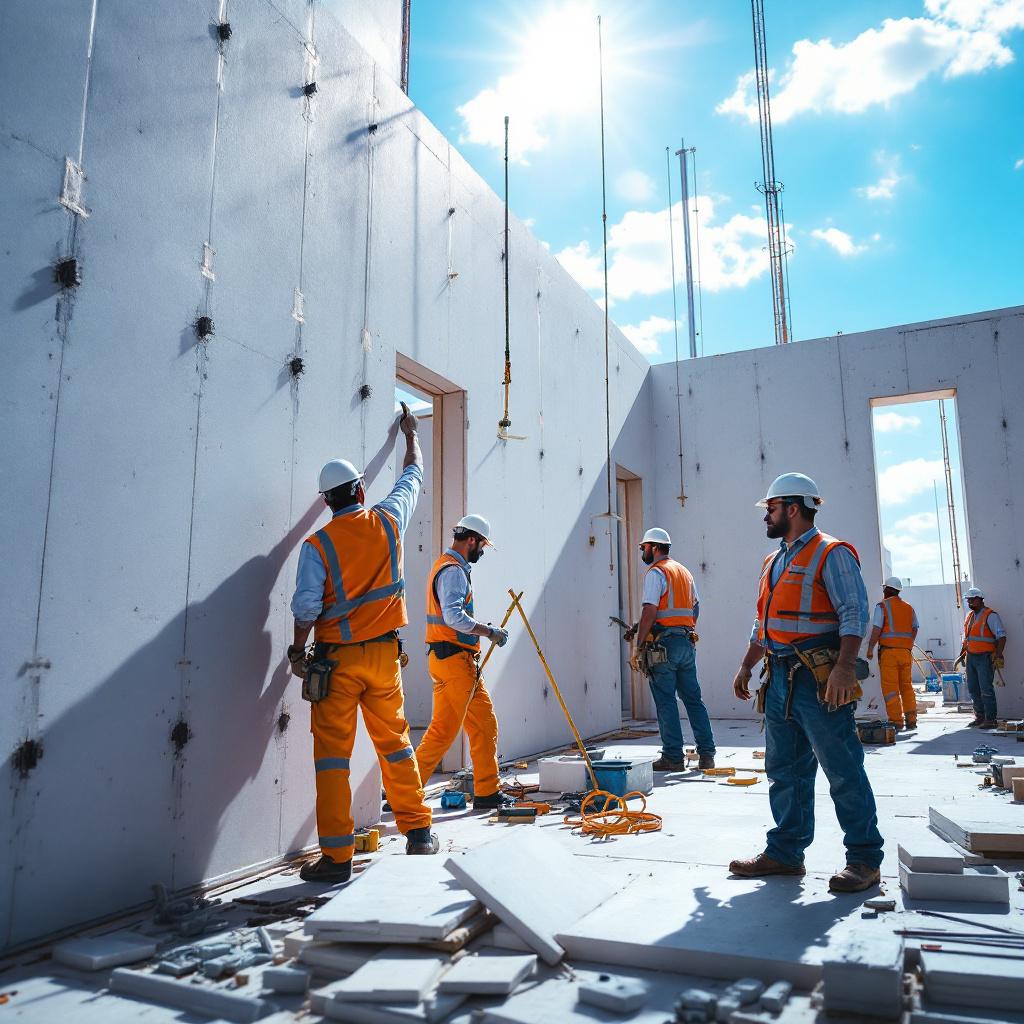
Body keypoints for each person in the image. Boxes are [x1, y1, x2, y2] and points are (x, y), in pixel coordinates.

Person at [287, 404, 437, 884]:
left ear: (326, 501)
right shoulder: (389, 521)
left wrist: (296, 650)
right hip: (384, 658)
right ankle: (418, 833)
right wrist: (410, 435)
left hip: (335, 665)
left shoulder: (318, 546)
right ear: (361, 490)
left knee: (333, 759)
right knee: (394, 744)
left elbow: (307, 608)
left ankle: (336, 859)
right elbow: (412, 476)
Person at [730, 473, 883, 893]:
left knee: (842, 768)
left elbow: (854, 613)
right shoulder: (774, 560)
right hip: (778, 677)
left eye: (771, 509)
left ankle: (865, 858)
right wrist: (746, 666)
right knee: (784, 770)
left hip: (819, 680)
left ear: (792, 509)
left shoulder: (831, 553)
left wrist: (844, 668)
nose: (767, 516)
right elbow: (764, 624)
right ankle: (785, 852)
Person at [414, 515, 513, 809]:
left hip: (441, 659)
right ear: (471, 540)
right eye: (481, 545)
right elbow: (454, 617)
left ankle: (402, 791)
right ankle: (487, 792)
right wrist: (489, 631)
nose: (481, 551)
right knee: (484, 724)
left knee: (442, 730)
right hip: (457, 662)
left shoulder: (442, 564)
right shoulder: (454, 570)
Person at [623, 527, 716, 772]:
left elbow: (649, 610)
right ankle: (707, 755)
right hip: (686, 642)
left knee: (665, 701)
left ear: (654, 547)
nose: (642, 551)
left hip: (663, 645)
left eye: (643, 547)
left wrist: (639, 644)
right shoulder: (684, 572)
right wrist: (683, 627)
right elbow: (695, 607)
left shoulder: (656, 572)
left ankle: (673, 757)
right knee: (693, 699)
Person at [865, 576, 919, 730]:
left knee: (891, 689)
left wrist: (870, 648)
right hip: (906, 652)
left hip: (889, 653)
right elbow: (915, 628)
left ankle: (896, 721)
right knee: (907, 687)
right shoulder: (909, 607)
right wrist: (908, 644)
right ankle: (911, 719)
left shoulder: (882, 607)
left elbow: (877, 629)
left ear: (886, 589)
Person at [958, 587, 1007, 728]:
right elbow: (967, 638)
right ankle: (980, 717)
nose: (970, 602)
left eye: (972, 599)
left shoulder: (990, 615)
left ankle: (991, 720)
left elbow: (1002, 637)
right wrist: (962, 654)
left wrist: (997, 655)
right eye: (968, 600)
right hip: (971, 657)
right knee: (973, 688)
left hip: (985, 657)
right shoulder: (969, 616)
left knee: (986, 689)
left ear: (980, 599)